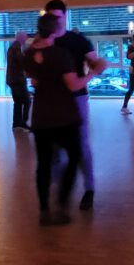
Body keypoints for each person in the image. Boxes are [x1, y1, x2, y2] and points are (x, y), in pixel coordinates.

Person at [23, 13, 98, 225]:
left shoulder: (28, 54)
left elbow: (34, 81)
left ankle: (44, 209)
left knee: (43, 164)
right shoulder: (61, 54)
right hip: (64, 117)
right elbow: (74, 85)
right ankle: (62, 203)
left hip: (40, 117)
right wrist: (93, 72)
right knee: (74, 157)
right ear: (56, 30)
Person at [45, 0, 107, 211]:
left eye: (58, 17)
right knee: (53, 148)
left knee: (81, 144)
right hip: (51, 100)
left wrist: (98, 65)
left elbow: (93, 62)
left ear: (65, 16)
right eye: (51, 17)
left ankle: (89, 188)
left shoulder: (78, 41)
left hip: (76, 98)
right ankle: (63, 187)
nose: (55, 21)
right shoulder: (44, 41)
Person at [6, 31, 31, 131]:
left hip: (13, 79)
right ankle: (23, 123)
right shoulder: (16, 48)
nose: (26, 39)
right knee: (27, 101)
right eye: (25, 37)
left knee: (18, 102)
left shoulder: (13, 47)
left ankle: (16, 124)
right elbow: (22, 62)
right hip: (17, 80)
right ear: (21, 38)